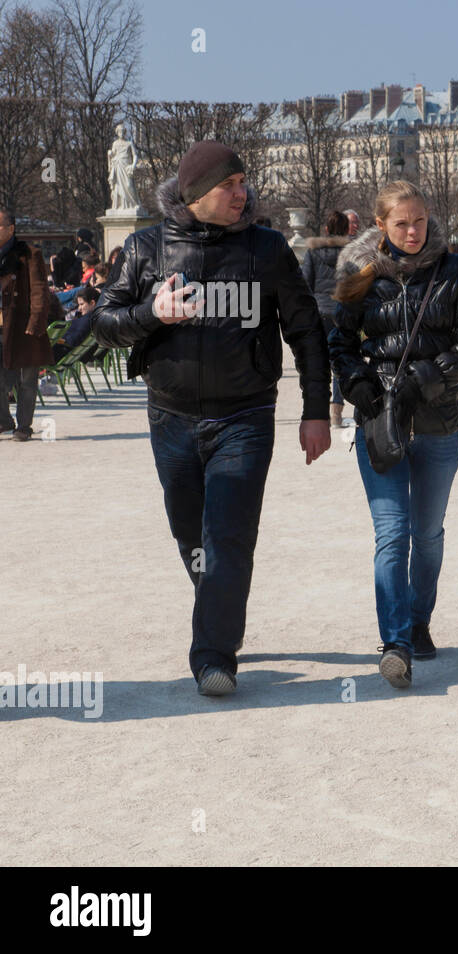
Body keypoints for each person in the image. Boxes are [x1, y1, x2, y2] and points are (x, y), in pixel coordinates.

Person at [91, 140, 332, 697]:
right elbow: (103, 323)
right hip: (170, 417)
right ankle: (219, 603)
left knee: (228, 536)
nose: (242, 193)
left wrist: (316, 411)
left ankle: (213, 655)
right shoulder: (146, 248)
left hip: (245, 415)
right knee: (188, 532)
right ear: (197, 192)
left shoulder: (267, 248)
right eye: (231, 185)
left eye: (244, 182)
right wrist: (153, 312)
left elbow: (306, 332)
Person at [329, 181, 458, 688]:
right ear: (381, 225)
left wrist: (431, 375)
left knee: (427, 534)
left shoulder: (453, 271)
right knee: (392, 533)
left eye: (419, 220)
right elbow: (340, 342)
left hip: (439, 422)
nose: (413, 230)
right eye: (402, 222)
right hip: (381, 422)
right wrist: (357, 385)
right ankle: (396, 641)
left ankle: (419, 621)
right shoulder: (359, 273)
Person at [0, 207, 54, 442]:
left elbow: (40, 291)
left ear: (10, 229)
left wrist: (36, 322)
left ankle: (24, 426)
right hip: (1, 326)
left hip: (22, 326)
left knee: (27, 380)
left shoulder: (29, 254)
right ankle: (3, 421)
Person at [301, 210, 351, 428]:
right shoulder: (350, 253)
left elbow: (305, 284)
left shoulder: (313, 253)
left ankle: (317, 410)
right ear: (348, 230)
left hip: (319, 311)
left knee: (318, 363)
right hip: (342, 311)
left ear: (326, 229)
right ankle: (336, 413)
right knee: (339, 362)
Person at [52, 286, 99, 361]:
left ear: (92, 303)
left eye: (82, 304)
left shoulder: (87, 320)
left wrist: (56, 340)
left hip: (59, 353)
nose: (79, 308)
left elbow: (73, 340)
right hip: (69, 353)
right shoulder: (95, 318)